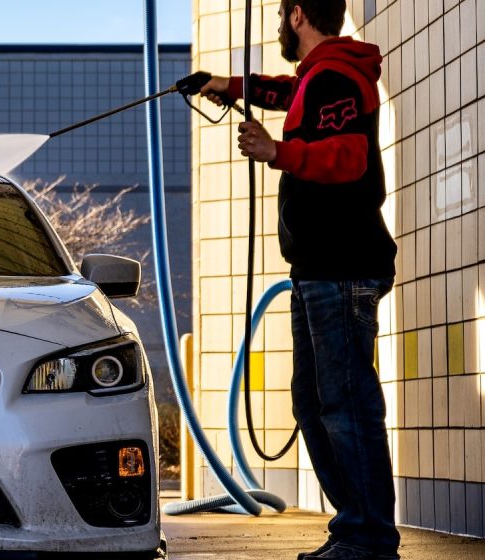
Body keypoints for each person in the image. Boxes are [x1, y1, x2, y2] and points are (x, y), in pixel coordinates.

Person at [198, 1, 400, 559]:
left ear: (297, 15)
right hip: (318, 270)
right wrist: (228, 84)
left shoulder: (335, 74)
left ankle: (370, 539)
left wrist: (275, 151)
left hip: (342, 266)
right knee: (313, 405)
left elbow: (350, 155)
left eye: (280, 15)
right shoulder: (321, 75)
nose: (276, 25)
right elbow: (287, 93)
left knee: (346, 404)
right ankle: (356, 529)